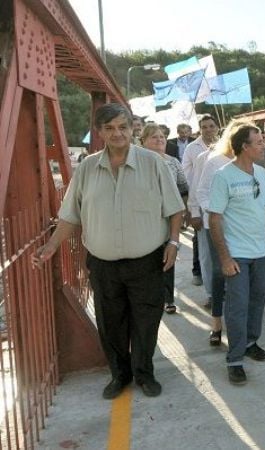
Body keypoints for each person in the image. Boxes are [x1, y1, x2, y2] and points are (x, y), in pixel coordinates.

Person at [33, 103, 184, 399]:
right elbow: (70, 215)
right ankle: (120, 375)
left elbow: (174, 208)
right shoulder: (87, 168)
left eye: (123, 127)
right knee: (110, 322)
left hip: (147, 262)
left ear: (132, 129)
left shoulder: (153, 163)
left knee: (146, 321)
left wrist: (174, 242)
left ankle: (144, 373)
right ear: (100, 132)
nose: (118, 134)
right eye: (110, 128)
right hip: (103, 265)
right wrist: (51, 246)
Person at [207, 124, 265, 385]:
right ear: (244, 146)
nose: (264, 146)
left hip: (261, 252)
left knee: (257, 300)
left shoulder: (261, 172)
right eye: (259, 142)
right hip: (237, 254)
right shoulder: (223, 176)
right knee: (237, 306)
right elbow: (214, 219)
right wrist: (225, 258)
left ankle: (251, 342)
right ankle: (235, 359)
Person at [196, 119, 247, 345]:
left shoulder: (249, 163)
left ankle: (239, 321)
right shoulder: (214, 161)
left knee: (241, 273)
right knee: (219, 274)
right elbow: (201, 192)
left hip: (242, 228)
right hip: (216, 226)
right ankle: (216, 323)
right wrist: (216, 211)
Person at [140, 123, 190, 315]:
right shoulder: (138, 162)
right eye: (154, 137)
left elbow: (183, 187)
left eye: (162, 136)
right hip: (144, 218)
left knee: (167, 255)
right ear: (143, 141)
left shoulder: (173, 162)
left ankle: (168, 298)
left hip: (168, 218)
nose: (159, 140)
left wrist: (184, 211)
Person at [184, 115, 220, 289]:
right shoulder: (194, 150)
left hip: (226, 211)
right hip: (202, 207)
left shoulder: (228, 148)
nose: (208, 130)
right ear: (200, 129)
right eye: (204, 127)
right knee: (205, 254)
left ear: (217, 128)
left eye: (211, 126)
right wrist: (193, 211)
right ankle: (211, 291)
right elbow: (191, 180)